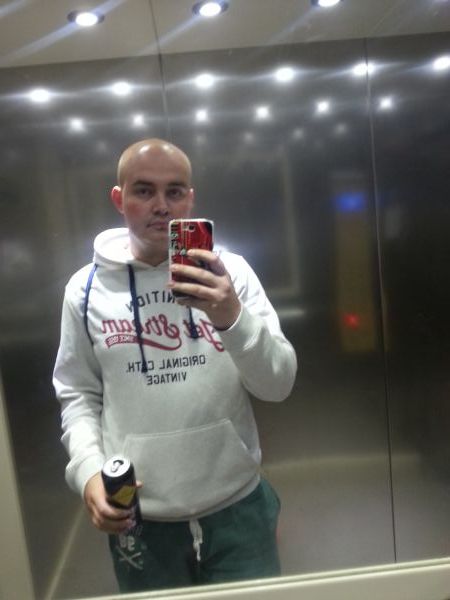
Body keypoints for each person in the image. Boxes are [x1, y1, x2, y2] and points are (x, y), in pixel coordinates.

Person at [53, 138, 297, 592]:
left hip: (238, 507)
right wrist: (88, 471)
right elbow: (77, 394)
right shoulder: (84, 291)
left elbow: (278, 383)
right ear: (119, 199)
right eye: (144, 190)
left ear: (191, 199)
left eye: (175, 191)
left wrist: (230, 316)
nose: (161, 205)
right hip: (140, 517)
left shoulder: (232, 275)